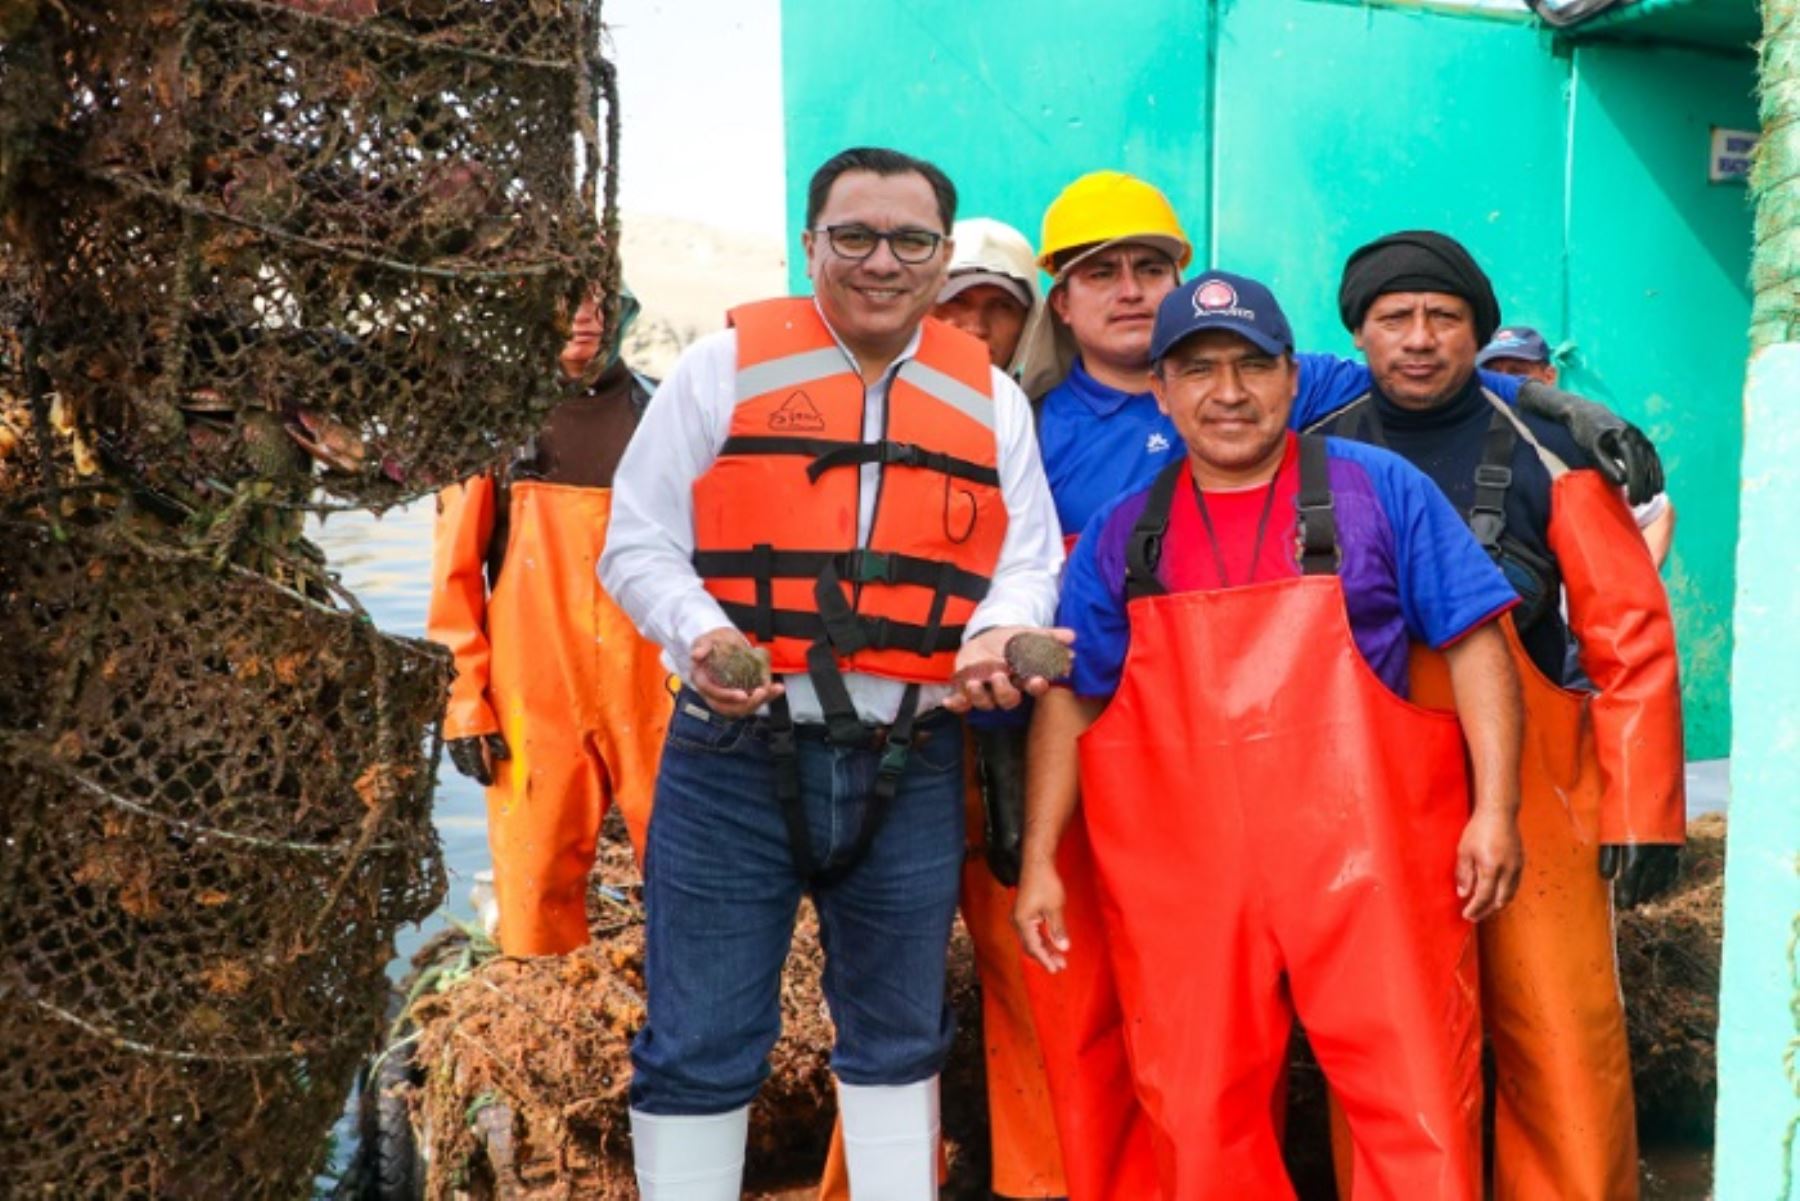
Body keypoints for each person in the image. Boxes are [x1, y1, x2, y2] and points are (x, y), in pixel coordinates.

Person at [1013, 169, 1666, 1201]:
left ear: (1290, 376)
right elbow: (1073, 695)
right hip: (1186, 884)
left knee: (1413, 1103)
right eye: (1199, 371)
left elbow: (1482, 644)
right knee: (1198, 1107)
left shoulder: (1379, 490)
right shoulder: (1120, 537)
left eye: (1250, 368)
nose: (1227, 393)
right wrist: (1046, 854)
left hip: (1367, 867)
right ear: (1166, 389)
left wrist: (1494, 810)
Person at [600, 147, 1066, 1201]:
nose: (879, 261)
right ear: (809, 243)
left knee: (902, 1032)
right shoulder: (716, 371)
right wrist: (702, 637)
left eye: (909, 241)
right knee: (700, 1039)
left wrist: (996, 637)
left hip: (913, 753)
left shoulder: (993, 401)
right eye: (852, 236)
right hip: (732, 755)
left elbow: (1027, 561)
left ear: (942, 259)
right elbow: (635, 542)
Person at [1313, 230, 1687, 1201]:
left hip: (1539, 799)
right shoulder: (1314, 452)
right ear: (1359, 332)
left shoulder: (1552, 450)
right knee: (1392, 1034)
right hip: (1372, 799)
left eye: (1446, 317)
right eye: (1395, 318)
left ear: (1479, 333)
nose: (1421, 338)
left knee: (1561, 1032)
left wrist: (1644, 807)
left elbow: (1630, 633)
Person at [427, 288, 671, 956]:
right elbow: (454, 580)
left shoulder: (667, 412)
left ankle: (691, 1030)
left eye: (601, 299)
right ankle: (546, 1005)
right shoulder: (492, 428)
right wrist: (464, 705)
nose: (585, 316)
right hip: (532, 698)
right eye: (565, 298)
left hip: (660, 690)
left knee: (689, 879)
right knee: (534, 891)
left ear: (625, 312)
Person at [1478, 324, 1676, 566]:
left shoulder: (1580, 440)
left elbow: (1658, 513)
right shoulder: (1467, 437)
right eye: (1493, 373)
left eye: (1517, 371)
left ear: (1549, 376)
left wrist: (1640, 588)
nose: (1503, 382)